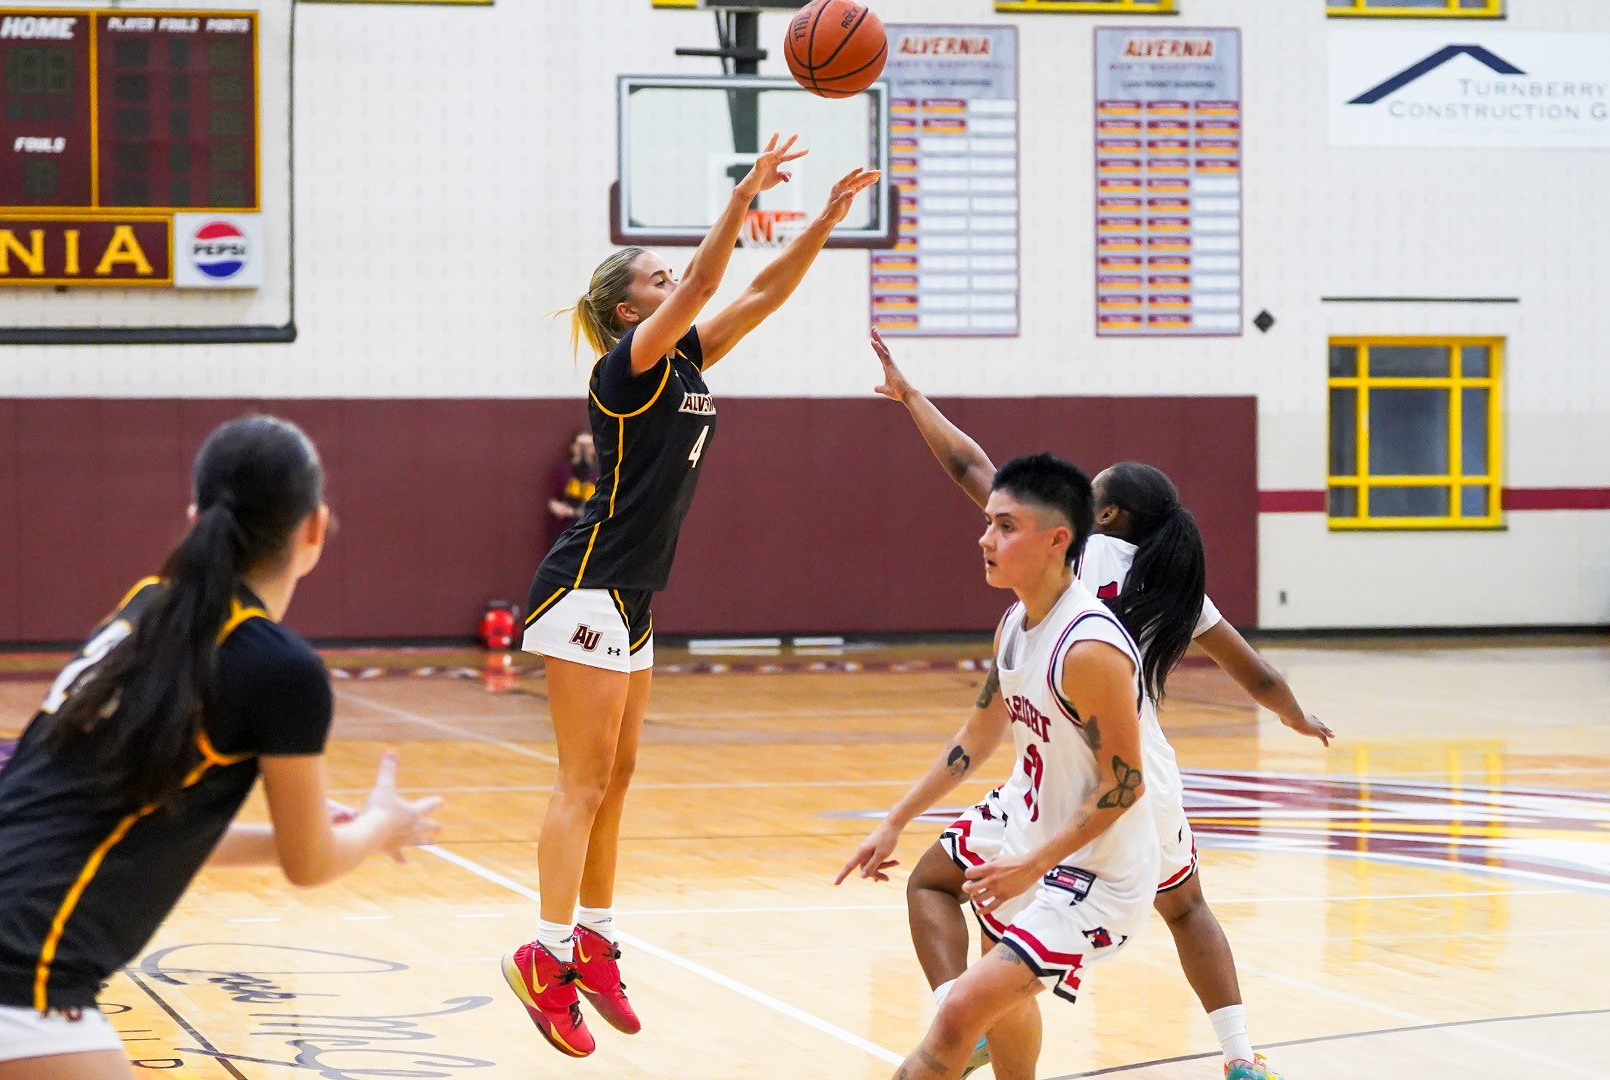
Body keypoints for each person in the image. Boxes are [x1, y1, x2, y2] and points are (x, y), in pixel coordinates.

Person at [0, 415, 442, 1080]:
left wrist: (306, 828)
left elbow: (143, 826)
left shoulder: (144, 611)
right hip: (8, 974)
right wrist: (381, 825)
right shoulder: (277, 666)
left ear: (195, 515)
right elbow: (310, 864)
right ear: (315, 527)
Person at [842, 330, 1333, 1080]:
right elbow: (1252, 671)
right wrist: (1296, 715)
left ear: (1085, 525)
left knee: (1021, 918)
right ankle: (1239, 1059)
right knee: (1186, 908)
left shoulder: (1069, 570)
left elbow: (972, 465)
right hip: (1082, 767)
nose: (995, 530)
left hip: (1104, 775)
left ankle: (967, 1020)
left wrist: (912, 398)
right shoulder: (1164, 584)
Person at [504, 134, 880, 1058]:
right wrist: (746, 193)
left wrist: (825, 223)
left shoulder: (684, 363)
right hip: (587, 585)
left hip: (630, 595)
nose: (675, 283)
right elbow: (713, 284)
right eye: (659, 276)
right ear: (629, 306)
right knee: (582, 779)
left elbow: (758, 293)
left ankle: (591, 936)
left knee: (619, 778)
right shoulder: (624, 369)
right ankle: (543, 954)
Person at [886, 453, 1156, 1080]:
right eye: (988, 523)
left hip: (1095, 875)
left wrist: (1034, 864)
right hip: (1032, 837)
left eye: (1005, 526)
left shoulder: (1088, 648)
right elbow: (976, 738)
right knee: (986, 989)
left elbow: (1127, 785)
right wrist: (895, 821)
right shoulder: (1015, 623)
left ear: (1058, 540)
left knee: (958, 1014)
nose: (985, 539)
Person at [547, 432, 598, 536]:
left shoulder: (599, 473)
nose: (584, 449)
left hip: (589, 529)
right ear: (573, 447)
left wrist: (573, 512)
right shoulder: (563, 470)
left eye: (588, 446)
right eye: (580, 445)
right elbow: (553, 498)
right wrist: (557, 507)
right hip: (563, 529)